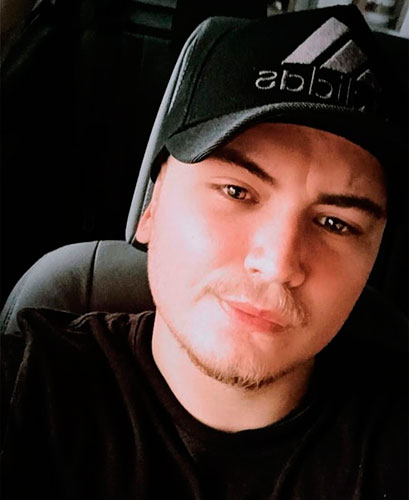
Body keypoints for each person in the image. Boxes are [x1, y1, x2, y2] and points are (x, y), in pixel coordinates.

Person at [1, 5, 407, 500]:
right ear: (151, 208)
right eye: (236, 192)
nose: (277, 264)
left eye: (335, 223)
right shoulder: (25, 390)